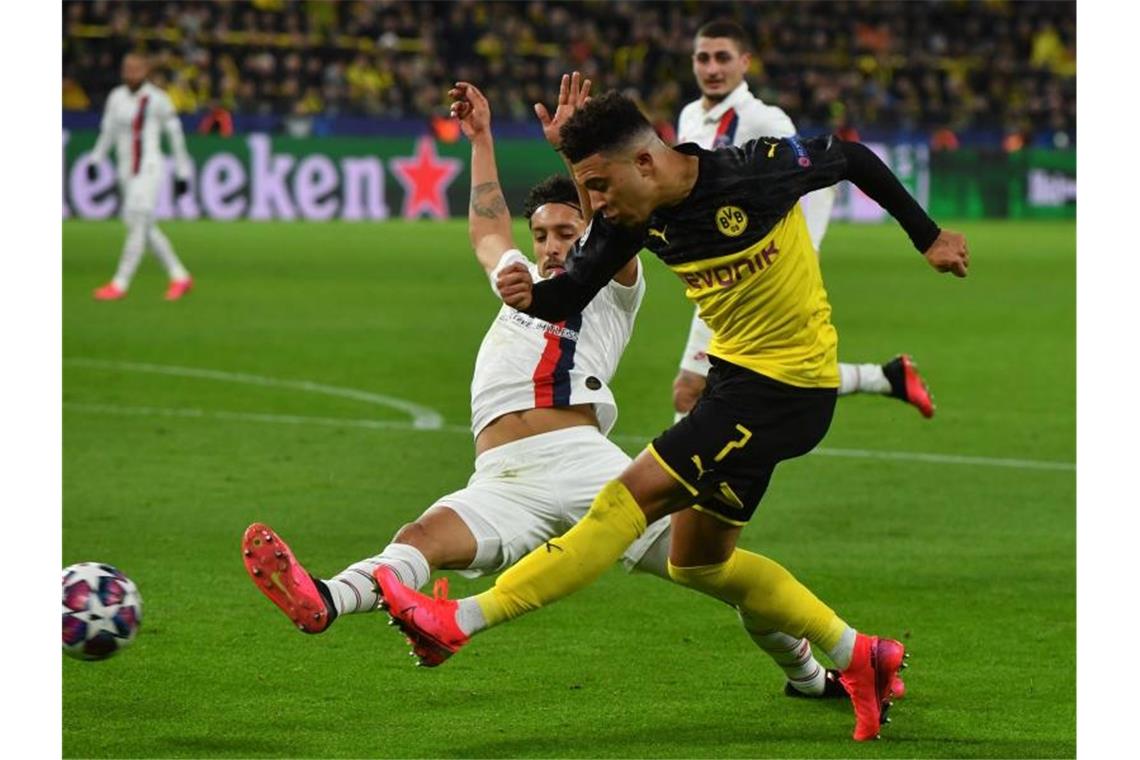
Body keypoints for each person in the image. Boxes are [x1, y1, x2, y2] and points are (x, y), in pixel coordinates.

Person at [378, 85, 968, 742]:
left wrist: (929, 235)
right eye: (586, 189)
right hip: (736, 382)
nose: (595, 206)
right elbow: (569, 291)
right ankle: (861, 654)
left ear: (647, 164)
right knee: (700, 563)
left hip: (784, 390)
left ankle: (457, 623)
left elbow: (852, 158)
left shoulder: (758, 170)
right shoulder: (631, 216)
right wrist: (530, 294)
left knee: (620, 504)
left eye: (600, 186)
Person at [242, 75, 861, 700]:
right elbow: (488, 227)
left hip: (582, 463)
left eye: (566, 232)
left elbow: (608, 214)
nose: (552, 245)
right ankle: (325, 599)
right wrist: (480, 137)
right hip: (502, 474)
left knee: (711, 569)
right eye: (541, 234)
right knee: (419, 540)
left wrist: (570, 151)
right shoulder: (523, 283)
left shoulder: (610, 279)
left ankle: (810, 673)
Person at [672, 20, 933, 421]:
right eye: (703, 58)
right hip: (718, 274)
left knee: (694, 388)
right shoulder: (690, 115)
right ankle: (886, 378)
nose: (712, 68)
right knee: (761, 378)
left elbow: (810, 181)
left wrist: (804, 249)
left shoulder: (764, 119)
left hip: (754, 272)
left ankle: (682, 480)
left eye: (723, 58)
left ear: (745, 62)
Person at [88, 53, 194, 301]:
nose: (131, 73)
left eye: (136, 69)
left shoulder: (158, 99)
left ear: (146, 70)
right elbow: (108, 132)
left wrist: (183, 171)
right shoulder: (116, 98)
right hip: (126, 170)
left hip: (149, 168)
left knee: (137, 223)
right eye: (127, 68)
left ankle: (120, 283)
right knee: (142, 226)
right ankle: (180, 276)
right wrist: (96, 158)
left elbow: (175, 137)